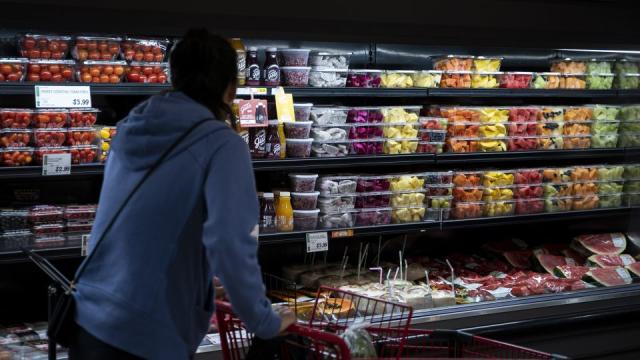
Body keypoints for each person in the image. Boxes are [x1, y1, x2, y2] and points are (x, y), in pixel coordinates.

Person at [69, 28, 296, 359]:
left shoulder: (133, 126)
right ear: (229, 87)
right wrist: (263, 319)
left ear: (174, 76)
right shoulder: (221, 144)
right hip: (148, 334)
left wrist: (198, 280)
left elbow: (146, 226)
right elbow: (231, 243)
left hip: (89, 319)